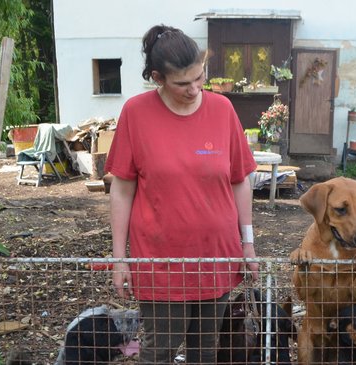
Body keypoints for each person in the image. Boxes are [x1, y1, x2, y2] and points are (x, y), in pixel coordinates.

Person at [105, 24, 259, 364]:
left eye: (200, 78)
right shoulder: (136, 113)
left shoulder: (222, 110)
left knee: (204, 353)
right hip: (161, 262)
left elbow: (239, 181)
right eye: (182, 83)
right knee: (159, 350)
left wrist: (247, 243)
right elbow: (122, 190)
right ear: (158, 78)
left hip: (217, 258)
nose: (194, 89)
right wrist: (120, 258)